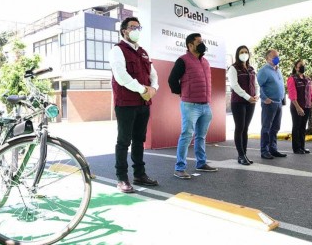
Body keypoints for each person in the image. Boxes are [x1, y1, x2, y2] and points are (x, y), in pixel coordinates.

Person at [108, 17, 159, 193]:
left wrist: (153, 89)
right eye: (132, 27)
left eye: (138, 27)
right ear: (124, 31)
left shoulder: (143, 52)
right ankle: (122, 178)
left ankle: (140, 174)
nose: (136, 30)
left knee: (139, 140)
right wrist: (142, 89)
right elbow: (121, 76)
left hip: (144, 103)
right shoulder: (117, 50)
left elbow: (153, 74)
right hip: (126, 103)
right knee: (124, 141)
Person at [168, 33, 218, 179]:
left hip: (205, 105)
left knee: (201, 136)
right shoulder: (182, 61)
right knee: (186, 135)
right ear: (190, 45)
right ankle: (179, 168)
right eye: (199, 42)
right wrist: (182, 93)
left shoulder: (205, 62)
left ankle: (201, 163)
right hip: (190, 105)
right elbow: (172, 80)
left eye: (202, 41)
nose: (202, 44)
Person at [227, 45, 259, 165]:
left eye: (246, 52)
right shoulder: (233, 68)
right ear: (237, 54)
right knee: (239, 128)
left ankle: (244, 154)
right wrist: (247, 97)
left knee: (246, 128)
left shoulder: (251, 68)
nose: (244, 54)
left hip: (251, 102)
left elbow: (256, 84)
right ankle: (240, 156)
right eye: (241, 52)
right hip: (238, 102)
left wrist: (257, 95)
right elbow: (235, 85)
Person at [257, 49, 287, 159]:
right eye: (274, 56)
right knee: (266, 128)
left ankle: (273, 149)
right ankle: (264, 150)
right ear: (267, 58)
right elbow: (258, 85)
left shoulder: (277, 69)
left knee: (275, 128)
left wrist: (283, 99)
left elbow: (281, 85)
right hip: (269, 103)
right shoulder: (264, 70)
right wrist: (264, 98)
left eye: (277, 56)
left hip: (278, 102)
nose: (277, 58)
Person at [286, 59, 312, 154]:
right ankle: (296, 148)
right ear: (296, 68)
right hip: (297, 106)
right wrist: (298, 107)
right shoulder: (292, 78)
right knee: (297, 126)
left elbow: (311, 93)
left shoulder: (307, 79)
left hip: (307, 106)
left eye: (303, 65)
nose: (302, 67)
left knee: (303, 127)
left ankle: (302, 147)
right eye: (300, 65)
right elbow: (292, 94)